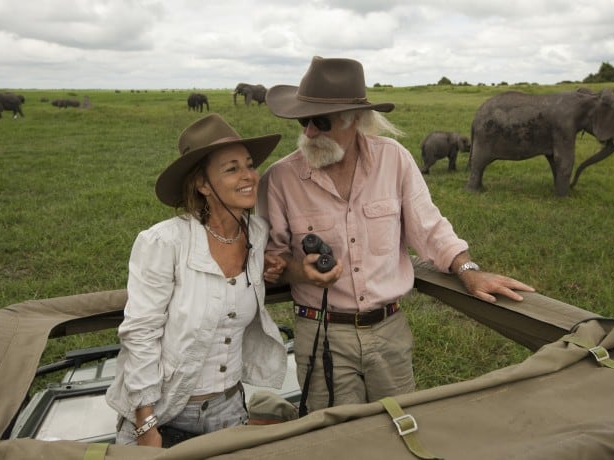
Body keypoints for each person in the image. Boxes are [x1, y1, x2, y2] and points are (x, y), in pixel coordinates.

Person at [257, 56, 535, 414]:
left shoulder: (395, 161)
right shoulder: (280, 179)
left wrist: (468, 271)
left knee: (399, 428)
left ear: (355, 120)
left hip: (388, 330)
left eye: (321, 121)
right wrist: (301, 271)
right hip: (320, 332)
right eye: (303, 119)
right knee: (331, 441)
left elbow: (430, 228)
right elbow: (274, 259)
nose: (308, 131)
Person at [106, 114, 288, 447]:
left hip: (231, 408)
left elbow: (238, 286)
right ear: (203, 185)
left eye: (249, 165)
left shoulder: (257, 234)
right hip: (166, 410)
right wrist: (146, 425)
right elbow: (141, 332)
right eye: (231, 169)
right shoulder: (164, 243)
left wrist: (268, 269)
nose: (249, 176)